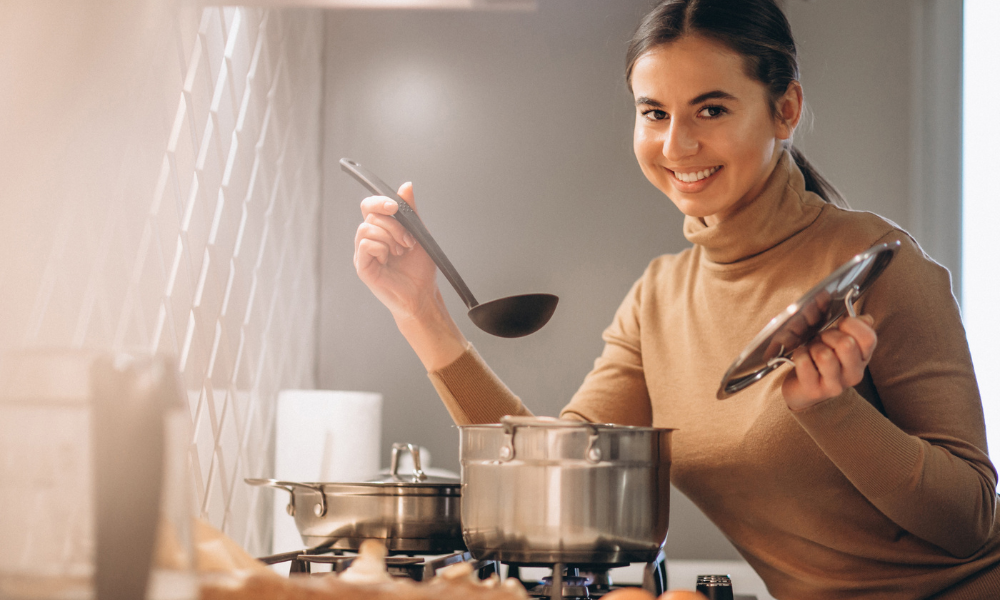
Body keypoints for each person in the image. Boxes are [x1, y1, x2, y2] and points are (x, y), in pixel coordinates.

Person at [352, 0, 1000, 597]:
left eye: (711, 110)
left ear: (786, 108)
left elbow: (970, 520)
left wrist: (835, 413)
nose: (676, 145)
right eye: (654, 113)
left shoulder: (877, 265)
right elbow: (557, 481)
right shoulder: (658, 298)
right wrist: (420, 311)